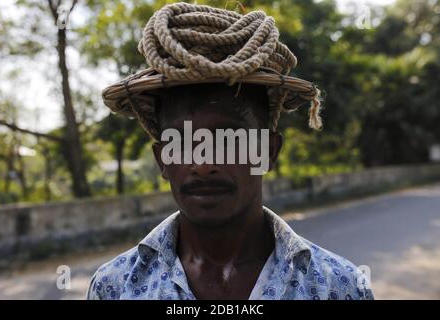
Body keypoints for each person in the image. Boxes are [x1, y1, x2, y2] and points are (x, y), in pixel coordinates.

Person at [87, 2, 373, 300]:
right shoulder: (115, 288)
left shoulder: (339, 288)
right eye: (183, 143)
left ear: (268, 151)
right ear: (162, 160)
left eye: (229, 140)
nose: (204, 163)